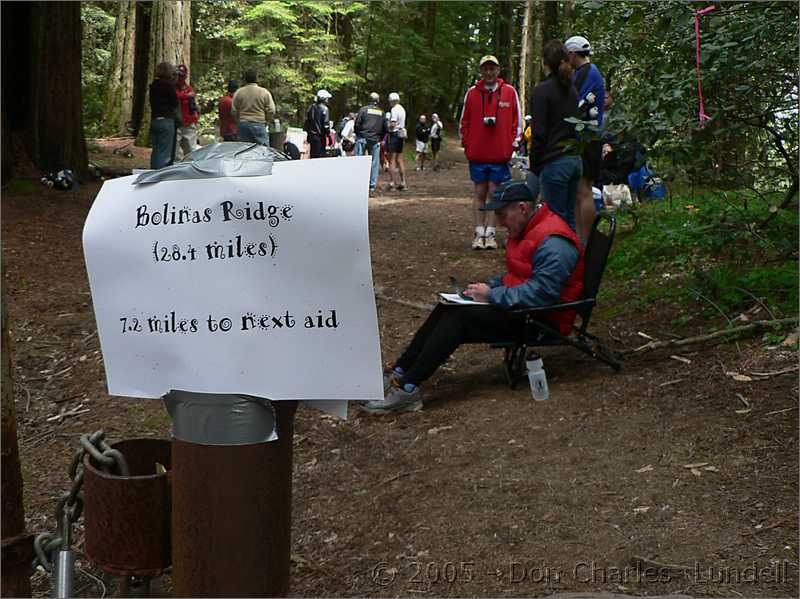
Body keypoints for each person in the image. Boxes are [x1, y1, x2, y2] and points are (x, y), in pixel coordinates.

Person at [360, 179, 584, 415]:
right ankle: (401, 370)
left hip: (542, 321)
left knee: (459, 318)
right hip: (524, 311)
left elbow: (542, 294)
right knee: (447, 307)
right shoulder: (529, 229)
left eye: (502, 214)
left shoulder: (553, 241)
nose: (498, 222)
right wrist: (490, 287)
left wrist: (493, 294)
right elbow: (521, 275)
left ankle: (408, 389)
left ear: (522, 208)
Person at [459, 54, 522, 250]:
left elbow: (517, 122)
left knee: (495, 193)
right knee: (479, 191)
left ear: (498, 70)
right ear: (481, 71)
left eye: (492, 68)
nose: (488, 72)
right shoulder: (472, 93)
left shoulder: (509, 92)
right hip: (478, 153)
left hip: (499, 154)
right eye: (485, 69)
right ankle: (478, 232)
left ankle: (491, 233)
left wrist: (513, 144)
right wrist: (468, 144)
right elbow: (464, 122)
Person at [529, 40, 582, 231]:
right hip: (574, 160)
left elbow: (539, 133)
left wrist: (534, 165)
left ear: (545, 63)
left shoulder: (542, 91)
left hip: (555, 162)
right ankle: (575, 258)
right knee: (569, 219)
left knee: (555, 221)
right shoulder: (572, 91)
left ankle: (558, 259)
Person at [565, 35, 606, 242]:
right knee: (580, 191)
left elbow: (575, 105)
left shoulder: (585, 73)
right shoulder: (590, 72)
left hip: (587, 138)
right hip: (589, 136)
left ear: (573, 54)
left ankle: (586, 241)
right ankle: (580, 239)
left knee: (584, 191)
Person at [232, 68, 276, 146]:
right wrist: (267, 120)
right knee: (263, 150)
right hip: (259, 123)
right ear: (256, 79)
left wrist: (239, 121)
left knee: (243, 150)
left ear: (245, 79)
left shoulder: (239, 92)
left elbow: (234, 111)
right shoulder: (264, 92)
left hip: (243, 124)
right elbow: (271, 110)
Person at [354, 92, 387, 195]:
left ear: (369, 100)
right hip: (375, 140)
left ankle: (358, 184)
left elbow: (357, 124)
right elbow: (385, 128)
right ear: (377, 101)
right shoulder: (382, 112)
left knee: (359, 162)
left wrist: (358, 134)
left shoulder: (363, 110)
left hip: (362, 138)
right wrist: (380, 138)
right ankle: (372, 186)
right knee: (374, 163)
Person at [148, 61, 179, 169]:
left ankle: (153, 171)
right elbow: (175, 103)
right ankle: (160, 175)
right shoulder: (168, 86)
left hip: (155, 120)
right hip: (166, 121)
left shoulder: (154, 85)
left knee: (156, 150)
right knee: (165, 152)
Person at [174, 64, 200, 159]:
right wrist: (186, 96)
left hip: (189, 124)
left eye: (181, 75)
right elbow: (175, 96)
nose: (179, 78)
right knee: (175, 154)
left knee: (191, 152)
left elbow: (193, 105)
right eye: (177, 75)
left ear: (185, 76)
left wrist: (195, 118)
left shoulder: (189, 88)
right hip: (176, 124)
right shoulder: (173, 88)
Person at [386, 92, 408, 190]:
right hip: (401, 134)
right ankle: (403, 182)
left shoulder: (394, 110)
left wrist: (386, 126)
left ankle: (392, 183)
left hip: (394, 134)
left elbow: (393, 124)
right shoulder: (402, 109)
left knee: (392, 159)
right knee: (400, 158)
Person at [304, 89, 332, 159]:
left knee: (313, 156)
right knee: (320, 156)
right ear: (324, 99)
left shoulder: (311, 108)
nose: (328, 100)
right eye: (327, 98)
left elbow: (307, 122)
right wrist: (329, 136)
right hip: (320, 137)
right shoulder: (325, 109)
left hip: (311, 137)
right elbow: (326, 125)